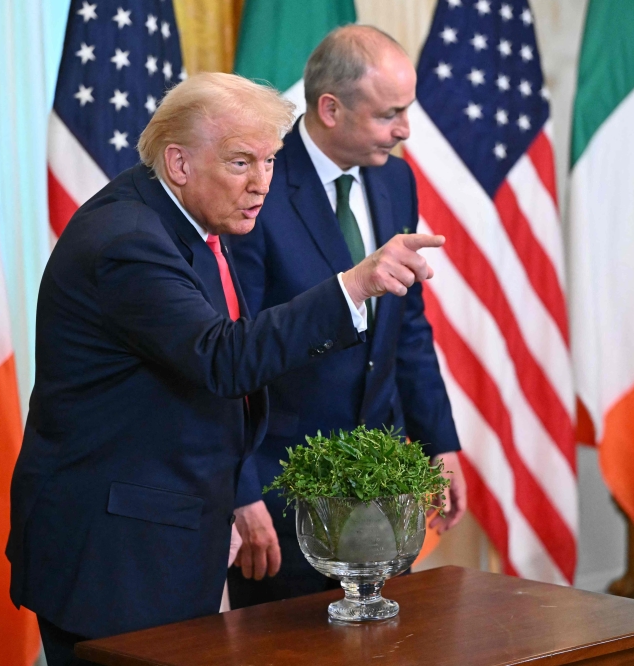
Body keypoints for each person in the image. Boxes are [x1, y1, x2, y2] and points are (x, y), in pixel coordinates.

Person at [6, 72, 445, 665]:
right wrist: (351, 286)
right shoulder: (127, 241)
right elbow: (224, 357)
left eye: (268, 161)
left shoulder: (183, 224)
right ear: (179, 163)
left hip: (162, 532)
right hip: (114, 553)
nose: (261, 183)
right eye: (242, 162)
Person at [226, 25, 468, 608]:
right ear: (331, 109)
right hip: (283, 491)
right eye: (391, 114)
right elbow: (234, 351)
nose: (406, 129)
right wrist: (242, 490)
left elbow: (407, 327)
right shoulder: (257, 186)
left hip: (382, 485)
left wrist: (440, 442)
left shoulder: (394, 177)